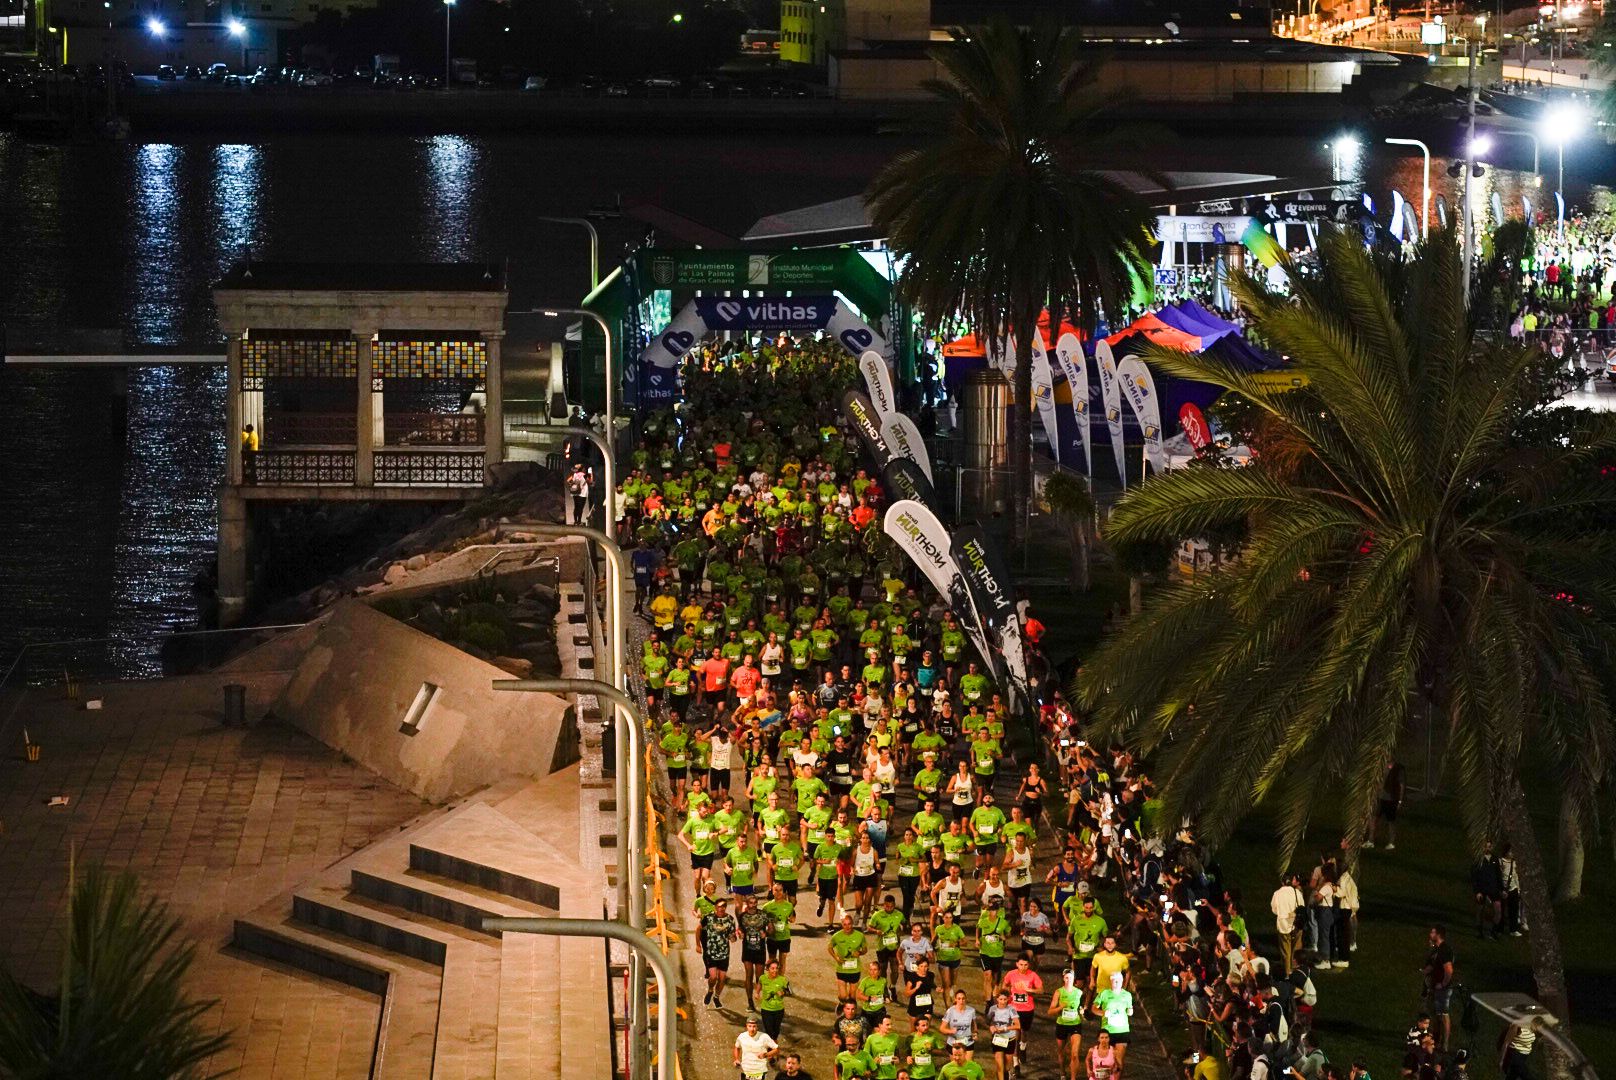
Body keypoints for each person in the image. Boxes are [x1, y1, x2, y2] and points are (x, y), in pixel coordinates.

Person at [1000, 954, 1043, 1061]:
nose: (1023, 967)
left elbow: (1041, 990)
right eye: (1021, 965)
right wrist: (1007, 993)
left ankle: (1023, 1047)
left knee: (1024, 1032)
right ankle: (1015, 1062)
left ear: (1029, 965)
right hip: (1014, 1009)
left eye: (1025, 965)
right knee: (1016, 1034)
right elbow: (1004, 985)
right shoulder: (1011, 974)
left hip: (1027, 1009)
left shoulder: (1033, 975)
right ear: (1017, 964)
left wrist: (1030, 990)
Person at [1092, 971, 1134, 1072]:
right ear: (1110, 982)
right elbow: (1093, 1008)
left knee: (1118, 1061)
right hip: (1107, 1031)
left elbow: (1129, 1010)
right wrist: (1102, 1013)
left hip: (1122, 1030)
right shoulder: (1104, 994)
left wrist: (1130, 1011)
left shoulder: (1127, 995)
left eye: (1118, 981)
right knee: (1108, 1060)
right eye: (1114, 981)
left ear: (1122, 981)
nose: (1116, 983)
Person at [1422, 926, 1455, 1051]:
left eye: (1433, 932)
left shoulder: (1444, 950)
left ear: (1439, 935)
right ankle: (1436, 1039)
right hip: (1436, 987)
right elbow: (1432, 964)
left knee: (1444, 1014)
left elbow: (1449, 970)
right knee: (1436, 1014)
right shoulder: (1437, 949)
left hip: (1443, 988)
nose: (1430, 933)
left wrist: (1443, 984)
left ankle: (1445, 1045)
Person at [702, 896, 738, 1008]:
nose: (721, 909)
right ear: (715, 907)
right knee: (713, 977)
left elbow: (733, 937)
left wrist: (733, 938)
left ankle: (716, 997)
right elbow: (699, 929)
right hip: (711, 952)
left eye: (723, 907)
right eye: (719, 907)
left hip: (724, 953)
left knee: (722, 978)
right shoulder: (708, 918)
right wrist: (698, 945)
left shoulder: (730, 919)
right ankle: (710, 990)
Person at [1049, 969, 1085, 1080]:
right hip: (1062, 1025)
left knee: (1075, 1054)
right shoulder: (1059, 992)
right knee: (1061, 1051)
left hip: (1075, 1024)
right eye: (1066, 977)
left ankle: (1073, 1078)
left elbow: (1082, 1007)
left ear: (1074, 979)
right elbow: (1050, 1011)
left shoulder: (1079, 992)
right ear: (1063, 978)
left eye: (1071, 977)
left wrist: (1082, 1011)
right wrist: (1060, 1007)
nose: (1069, 980)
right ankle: (1062, 1072)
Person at [1270, 873, 1305, 975]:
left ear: (1282, 882)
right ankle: (1296, 971)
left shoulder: (1277, 893)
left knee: (1286, 951)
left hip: (1283, 924)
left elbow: (1274, 909)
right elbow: (1302, 906)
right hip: (1296, 924)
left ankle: (1287, 972)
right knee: (1296, 950)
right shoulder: (1297, 892)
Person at [1365, 761, 1404, 849]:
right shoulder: (1380, 765)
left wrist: (1400, 801)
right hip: (1379, 798)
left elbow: (1401, 785)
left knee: (1391, 821)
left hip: (1391, 799)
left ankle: (1391, 842)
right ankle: (1371, 840)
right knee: (1373, 818)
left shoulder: (1398, 769)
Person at [985, 990, 1022, 1080]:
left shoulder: (1011, 1009)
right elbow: (988, 1021)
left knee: (1007, 1067)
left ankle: (1007, 1074)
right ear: (997, 999)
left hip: (1010, 1039)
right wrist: (991, 1027)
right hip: (998, 1039)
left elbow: (1018, 1025)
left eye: (1005, 999)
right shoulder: (992, 1009)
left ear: (1008, 999)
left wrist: (1005, 1028)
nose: (1002, 1001)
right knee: (999, 1066)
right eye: (1000, 999)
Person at [735, 1013, 780, 1080]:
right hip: (746, 1071)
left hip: (760, 1071)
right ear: (746, 1026)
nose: (752, 1029)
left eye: (754, 1026)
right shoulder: (742, 1036)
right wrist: (736, 1059)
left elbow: (777, 1049)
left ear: (757, 1027)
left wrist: (766, 1055)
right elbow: (737, 1047)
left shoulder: (764, 1037)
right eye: (750, 1026)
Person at [757, 957, 790, 1040]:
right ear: (767, 969)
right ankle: (771, 1050)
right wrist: (757, 993)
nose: (775, 970)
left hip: (778, 1010)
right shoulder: (763, 978)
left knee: (776, 1032)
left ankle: (773, 1050)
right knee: (768, 1031)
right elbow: (759, 984)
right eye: (772, 968)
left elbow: (788, 991)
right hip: (766, 1010)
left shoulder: (782, 980)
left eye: (776, 968)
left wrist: (783, 993)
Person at [941, 988, 978, 1058]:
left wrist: (975, 1033)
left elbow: (974, 1025)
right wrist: (950, 1031)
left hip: (967, 1042)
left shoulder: (971, 1011)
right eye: (959, 999)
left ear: (966, 999)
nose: (961, 1001)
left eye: (963, 998)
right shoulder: (950, 1011)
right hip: (953, 1043)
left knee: (966, 1066)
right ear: (955, 999)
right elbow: (942, 1028)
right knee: (956, 1067)